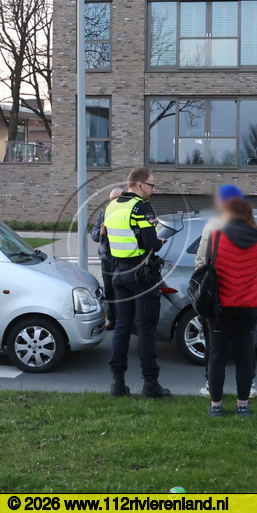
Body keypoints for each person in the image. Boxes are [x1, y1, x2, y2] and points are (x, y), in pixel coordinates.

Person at [104, 167, 170, 398]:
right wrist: (161, 241)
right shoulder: (140, 207)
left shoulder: (112, 206)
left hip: (119, 273)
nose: (153, 190)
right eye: (151, 185)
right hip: (141, 274)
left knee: (122, 328)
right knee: (146, 328)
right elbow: (151, 243)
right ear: (140, 185)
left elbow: (109, 242)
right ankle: (151, 384)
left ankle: (117, 384)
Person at [195, 185, 257, 398]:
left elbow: (201, 261)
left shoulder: (213, 227)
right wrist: (245, 285)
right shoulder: (255, 230)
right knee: (245, 347)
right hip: (247, 300)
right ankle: (248, 388)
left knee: (215, 348)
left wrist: (205, 288)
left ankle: (212, 389)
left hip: (218, 299)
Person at [91, 188, 123, 330]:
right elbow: (94, 234)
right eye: (111, 200)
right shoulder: (104, 213)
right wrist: (101, 232)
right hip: (107, 259)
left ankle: (123, 320)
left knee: (122, 291)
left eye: (116, 199)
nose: (113, 202)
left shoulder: (126, 214)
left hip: (122, 259)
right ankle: (112, 319)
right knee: (109, 290)